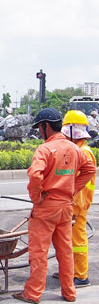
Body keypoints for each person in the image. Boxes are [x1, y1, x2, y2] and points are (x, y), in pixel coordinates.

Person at [13, 108, 96, 304]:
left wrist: (36, 197)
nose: (39, 132)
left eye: (40, 128)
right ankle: (69, 292)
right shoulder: (75, 148)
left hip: (47, 207)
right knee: (65, 251)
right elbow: (90, 169)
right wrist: (72, 189)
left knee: (39, 252)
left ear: (46, 126)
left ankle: (33, 293)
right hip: (66, 206)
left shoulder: (45, 149)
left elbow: (35, 175)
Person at [53, 110, 96, 287]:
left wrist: (75, 207)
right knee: (67, 240)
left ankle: (81, 275)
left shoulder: (83, 153)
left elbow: (82, 185)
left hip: (78, 205)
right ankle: (68, 270)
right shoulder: (79, 149)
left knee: (77, 241)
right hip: (73, 204)